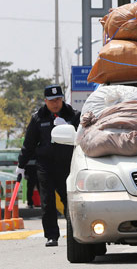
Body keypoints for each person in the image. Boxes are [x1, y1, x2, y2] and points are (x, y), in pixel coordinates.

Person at [16, 85, 80, 247]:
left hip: (67, 165)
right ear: (45, 101)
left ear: (62, 99)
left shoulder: (73, 115)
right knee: (47, 201)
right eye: (51, 101)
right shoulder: (39, 117)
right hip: (45, 166)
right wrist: (21, 166)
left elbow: (83, 138)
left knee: (69, 200)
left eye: (58, 99)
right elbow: (29, 144)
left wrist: (69, 125)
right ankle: (52, 236)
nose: (55, 103)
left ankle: (76, 233)